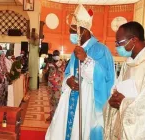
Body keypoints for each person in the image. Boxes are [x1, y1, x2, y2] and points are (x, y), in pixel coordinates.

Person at [45, 4, 115, 140]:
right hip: (71, 100)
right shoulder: (74, 52)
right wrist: (69, 80)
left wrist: (86, 60)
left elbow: (107, 79)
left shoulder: (102, 50)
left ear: (83, 30)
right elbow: (67, 73)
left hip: (88, 104)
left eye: (72, 31)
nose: (70, 34)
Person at [104, 21, 145, 140]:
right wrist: (113, 98)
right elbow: (118, 87)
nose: (117, 46)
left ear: (134, 40)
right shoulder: (128, 63)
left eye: (119, 43)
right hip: (122, 125)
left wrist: (124, 102)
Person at [44, 50, 65, 121]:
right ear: (53, 56)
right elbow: (46, 72)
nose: (56, 56)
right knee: (51, 101)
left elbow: (62, 72)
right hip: (51, 86)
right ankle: (51, 116)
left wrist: (55, 65)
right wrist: (48, 64)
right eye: (55, 55)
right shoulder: (50, 64)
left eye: (57, 54)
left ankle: (57, 117)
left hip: (58, 85)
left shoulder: (62, 63)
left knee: (57, 101)